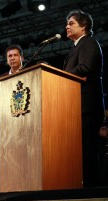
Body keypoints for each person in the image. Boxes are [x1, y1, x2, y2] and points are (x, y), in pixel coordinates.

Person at [63, 10, 105, 187]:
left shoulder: (88, 42)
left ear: (84, 26)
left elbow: (85, 68)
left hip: (87, 106)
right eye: (67, 23)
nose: (67, 26)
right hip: (76, 107)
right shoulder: (75, 48)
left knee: (88, 150)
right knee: (79, 152)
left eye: (71, 23)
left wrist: (60, 76)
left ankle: (91, 190)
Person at [0, 44, 24, 108]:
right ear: (7, 60)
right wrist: (0, 107)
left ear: (22, 58)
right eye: (10, 56)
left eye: (15, 55)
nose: (12, 58)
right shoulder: (2, 77)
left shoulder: (29, 73)